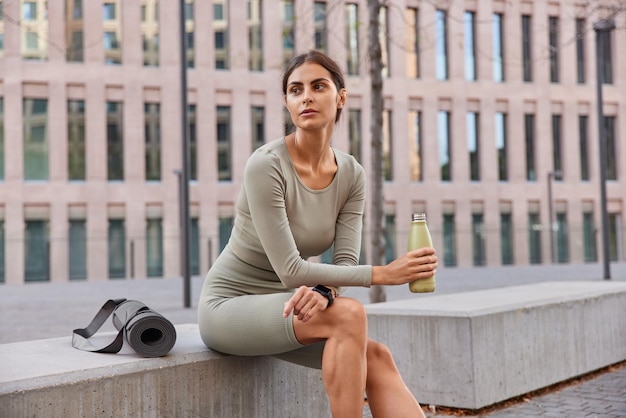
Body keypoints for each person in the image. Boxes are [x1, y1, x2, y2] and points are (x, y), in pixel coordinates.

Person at [198, 50, 438, 418]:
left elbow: (344, 259)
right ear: (287, 103)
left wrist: (325, 291)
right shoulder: (266, 165)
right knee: (350, 315)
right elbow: (291, 271)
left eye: (318, 86)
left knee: (376, 355)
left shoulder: (351, 174)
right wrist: (384, 274)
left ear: (341, 97)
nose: (306, 96)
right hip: (231, 307)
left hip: (291, 306)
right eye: (296, 90)